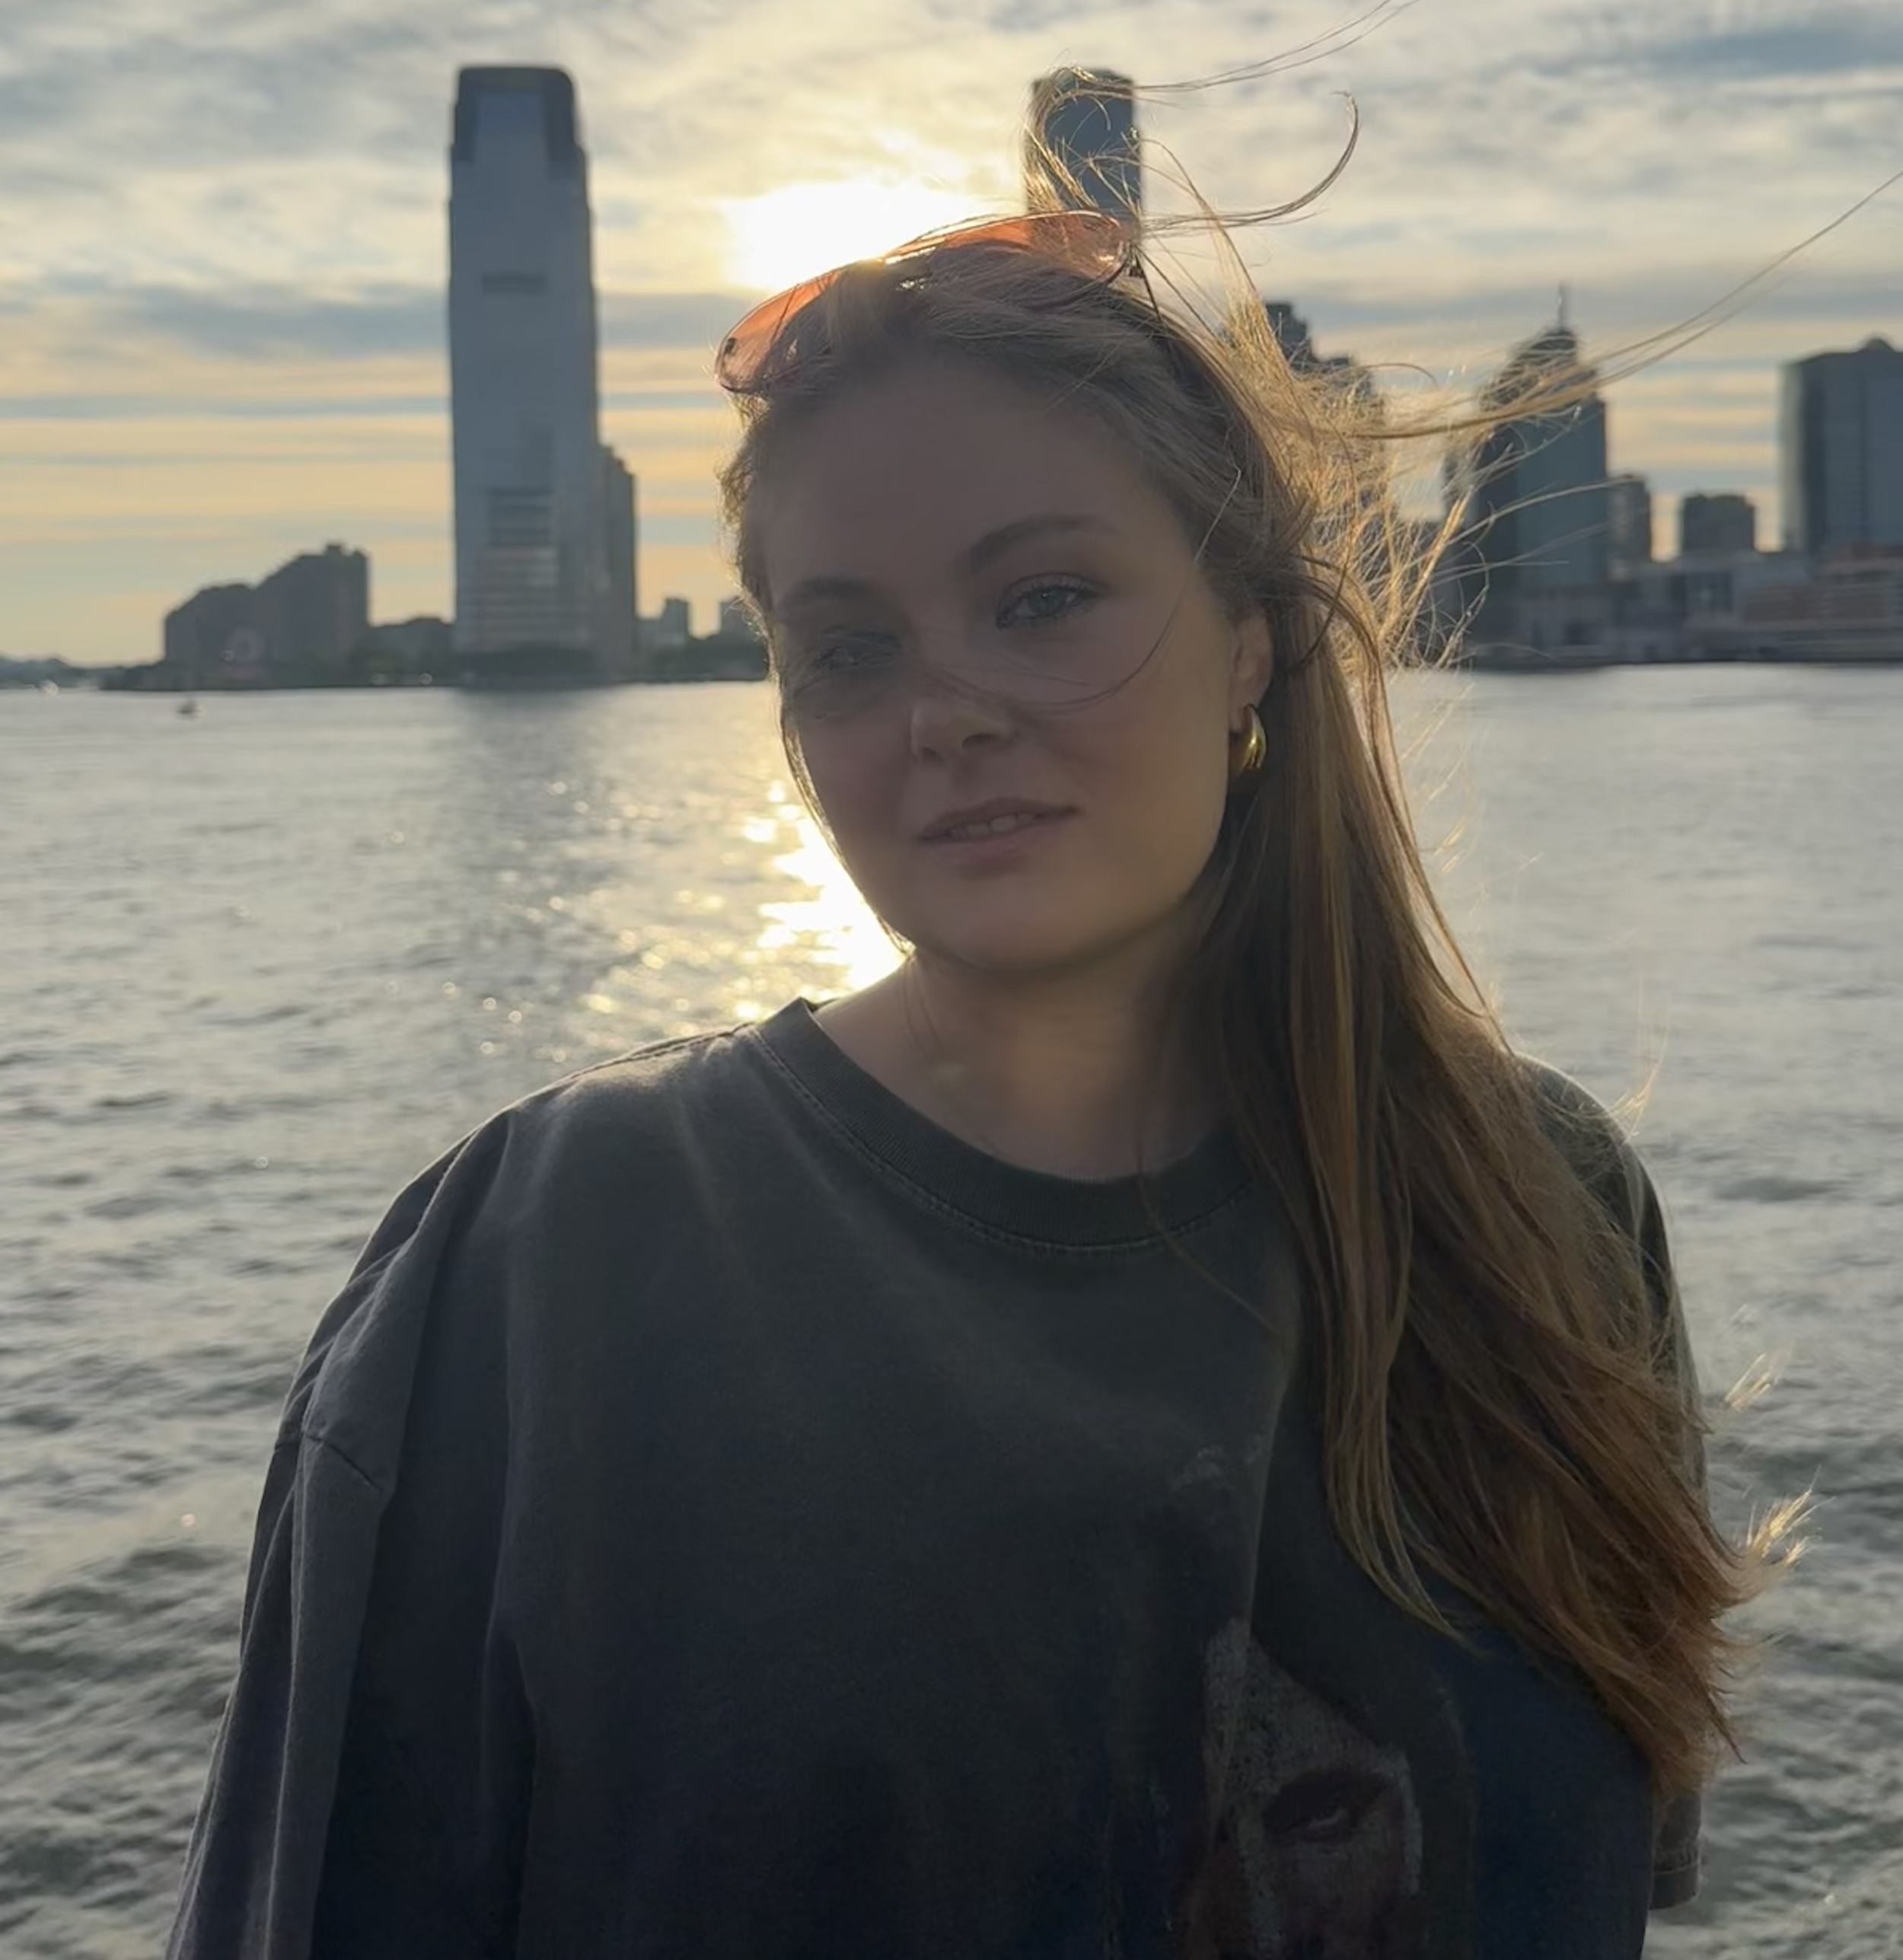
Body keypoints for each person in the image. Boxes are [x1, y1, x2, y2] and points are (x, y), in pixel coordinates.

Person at [167, 202, 1790, 1960]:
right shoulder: (545, 1263)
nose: (941, 712)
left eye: (1041, 601)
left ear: (1248, 639)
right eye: (848, 649)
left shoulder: (1538, 1198)